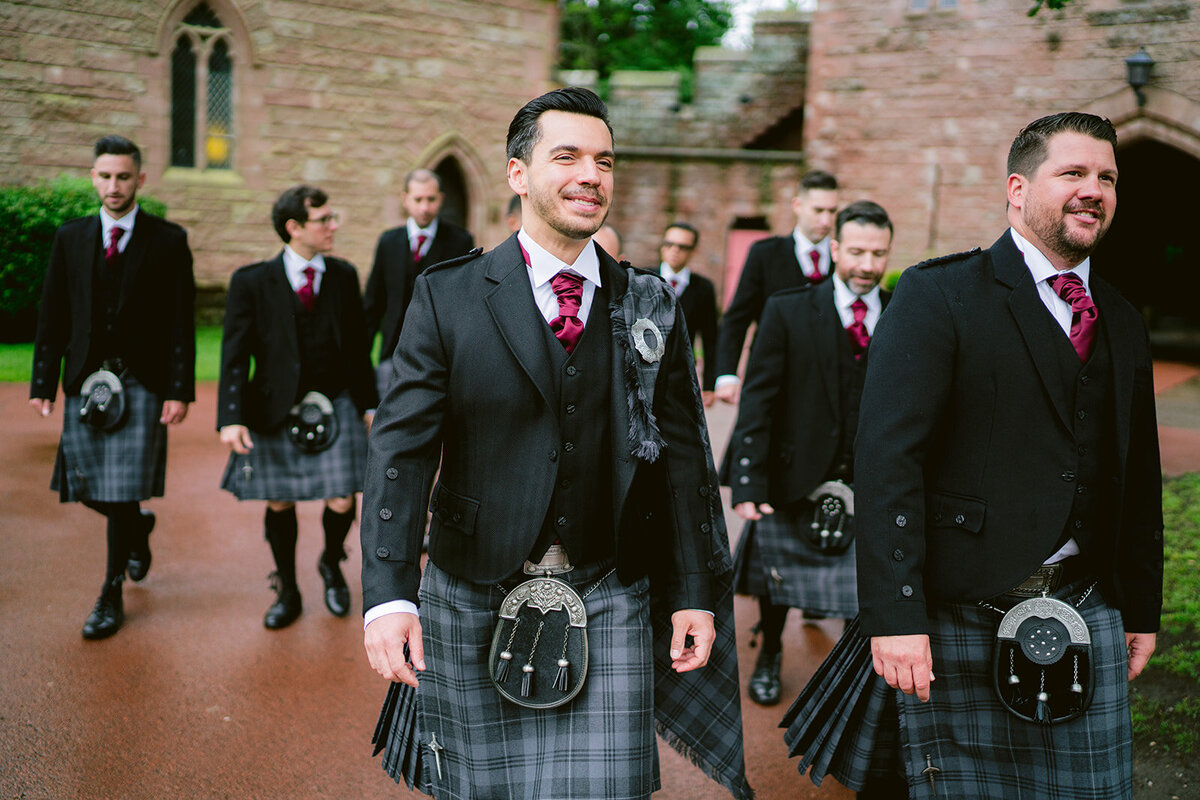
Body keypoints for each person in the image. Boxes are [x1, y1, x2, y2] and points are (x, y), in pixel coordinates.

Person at [361, 87, 750, 800]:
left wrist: (694, 590)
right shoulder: (447, 296)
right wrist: (388, 597)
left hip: (609, 583)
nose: (590, 175)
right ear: (518, 174)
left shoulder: (649, 302)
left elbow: (685, 459)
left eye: (604, 161)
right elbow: (402, 451)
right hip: (471, 585)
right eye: (566, 156)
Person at [849, 112, 1162, 798]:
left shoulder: (1121, 317)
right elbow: (886, 462)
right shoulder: (939, 294)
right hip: (965, 605)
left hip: (1090, 605)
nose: (1094, 190)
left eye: (1106, 177)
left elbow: (1137, 474)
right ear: (1017, 190)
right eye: (1073, 173)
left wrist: (1141, 607)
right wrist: (896, 616)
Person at [29, 134, 195, 640]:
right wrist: (43, 379)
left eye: (123, 176)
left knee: (120, 491)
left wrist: (178, 388)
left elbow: (180, 320)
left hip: (141, 380)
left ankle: (110, 591)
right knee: (81, 485)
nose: (113, 185)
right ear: (93, 176)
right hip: (85, 379)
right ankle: (137, 528)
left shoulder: (167, 239)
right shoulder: (70, 236)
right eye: (104, 175)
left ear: (140, 178)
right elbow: (54, 311)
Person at [728, 201, 892, 706]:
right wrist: (750, 479)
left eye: (879, 254)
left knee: (861, 593)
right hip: (794, 473)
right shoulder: (789, 308)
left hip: (872, 481)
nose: (867, 265)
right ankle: (771, 652)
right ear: (836, 248)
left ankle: (846, 678)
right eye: (858, 251)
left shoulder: (905, 309)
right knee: (777, 585)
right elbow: (759, 398)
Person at [218, 185, 378, 630]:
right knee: (280, 501)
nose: (333, 226)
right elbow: (233, 354)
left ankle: (330, 561)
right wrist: (230, 416)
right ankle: (287, 586)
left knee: (344, 497)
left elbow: (358, 351)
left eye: (332, 217)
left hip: (337, 400)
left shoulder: (344, 274)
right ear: (294, 227)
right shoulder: (250, 281)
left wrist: (368, 407)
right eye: (323, 219)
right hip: (274, 405)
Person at [714, 169, 839, 404]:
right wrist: (726, 374)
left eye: (832, 211)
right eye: (818, 210)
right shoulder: (765, 254)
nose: (826, 220)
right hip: (769, 376)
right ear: (797, 205)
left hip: (824, 383)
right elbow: (738, 317)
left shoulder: (842, 259)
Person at [364, 169, 475, 396]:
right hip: (391, 353)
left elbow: (465, 303)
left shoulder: (460, 241)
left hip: (439, 355)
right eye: (418, 200)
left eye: (431, 199)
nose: (425, 207)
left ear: (441, 199)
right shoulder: (388, 242)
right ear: (405, 199)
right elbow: (373, 303)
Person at [658, 222, 719, 406]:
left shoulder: (703, 288)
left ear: (693, 251)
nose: (674, 250)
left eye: (682, 247)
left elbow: (710, 339)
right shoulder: (642, 277)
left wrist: (709, 385)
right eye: (669, 244)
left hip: (681, 375)